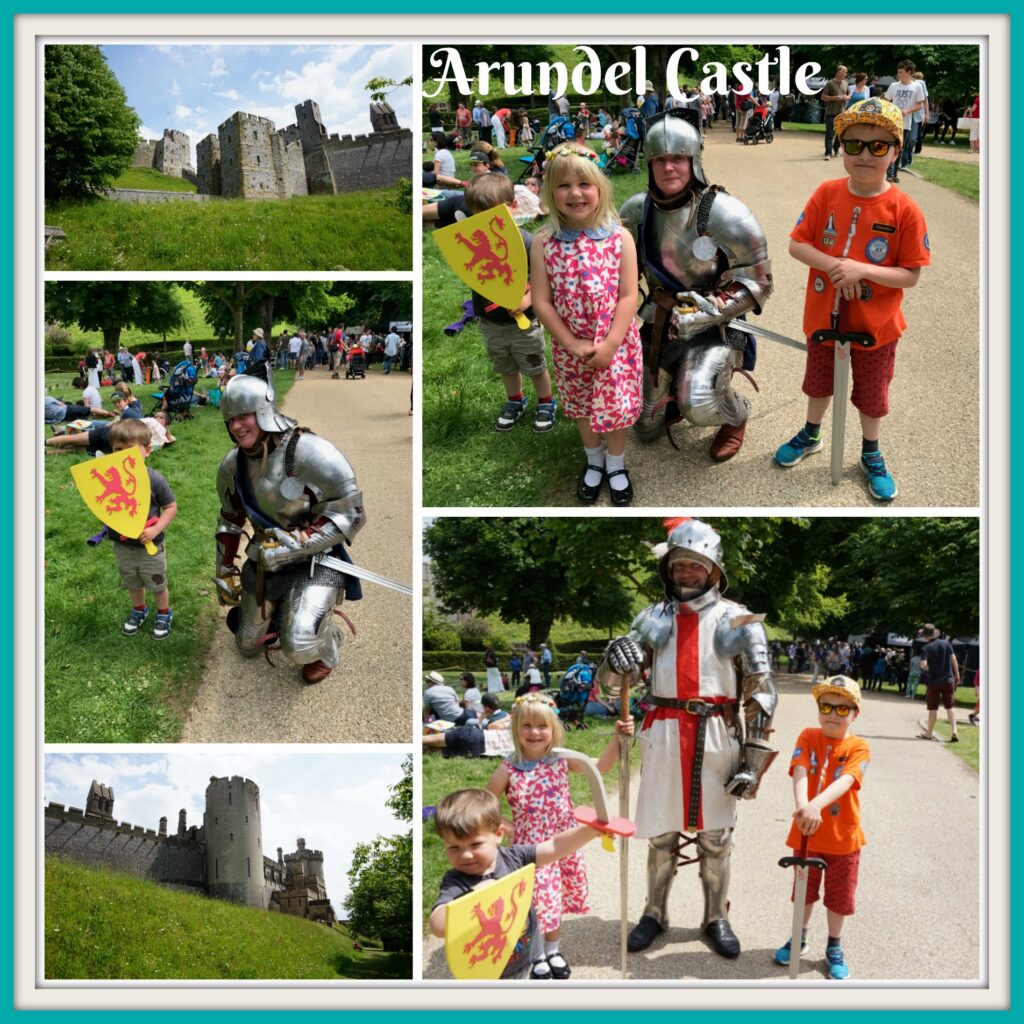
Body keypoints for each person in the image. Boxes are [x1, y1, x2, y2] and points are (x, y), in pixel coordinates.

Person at [600, 518, 777, 958]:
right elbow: (609, 686)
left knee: (715, 839)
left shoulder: (738, 619)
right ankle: (654, 913)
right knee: (661, 835)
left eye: (695, 565)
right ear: (668, 569)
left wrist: (752, 764)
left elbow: (761, 694)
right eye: (679, 565)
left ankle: (716, 916)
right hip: (662, 735)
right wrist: (611, 660)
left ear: (714, 568)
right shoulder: (650, 618)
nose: (686, 572)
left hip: (717, 735)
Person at [773, 98, 930, 502]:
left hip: (875, 327)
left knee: (873, 393)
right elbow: (797, 245)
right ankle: (811, 434)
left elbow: (910, 274)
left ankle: (871, 452)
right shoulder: (826, 193)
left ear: (896, 150)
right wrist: (834, 265)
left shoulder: (904, 209)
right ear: (841, 146)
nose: (864, 154)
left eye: (878, 146)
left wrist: (863, 271)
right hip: (824, 317)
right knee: (818, 383)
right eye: (854, 144)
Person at [620, 109, 771, 462]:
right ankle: (672, 385)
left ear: (694, 160)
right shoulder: (636, 211)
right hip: (660, 321)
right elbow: (613, 270)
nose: (669, 167)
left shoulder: (722, 211)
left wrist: (713, 310)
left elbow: (759, 280)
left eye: (678, 158)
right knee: (645, 428)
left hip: (716, 323)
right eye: (660, 159)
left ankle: (736, 414)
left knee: (699, 404)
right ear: (649, 162)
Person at [214, 368, 365, 685]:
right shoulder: (232, 465)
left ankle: (327, 643)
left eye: (244, 416)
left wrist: (297, 545)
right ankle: (278, 612)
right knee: (247, 645)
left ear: (263, 411)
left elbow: (350, 513)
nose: (237, 426)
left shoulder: (308, 452)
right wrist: (224, 568)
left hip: (316, 560)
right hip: (266, 560)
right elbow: (229, 518)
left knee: (299, 645)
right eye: (231, 420)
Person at [486, 693, 634, 978]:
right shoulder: (507, 769)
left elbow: (601, 767)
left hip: (564, 845)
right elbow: (484, 806)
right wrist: (505, 825)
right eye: (526, 725)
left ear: (554, 729)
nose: (534, 732)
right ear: (516, 729)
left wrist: (617, 737)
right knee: (538, 904)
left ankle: (553, 950)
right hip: (533, 850)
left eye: (542, 726)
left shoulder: (562, 761)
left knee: (556, 900)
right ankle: (537, 953)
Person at [531, 144, 642, 506]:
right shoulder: (544, 243)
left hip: (616, 344)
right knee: (580, 406)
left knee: (616, 407)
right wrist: (570, 343)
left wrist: (609, 344)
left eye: (584, 184)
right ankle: (593, 461)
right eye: (563, 186)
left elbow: (628, 296)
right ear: (550, 192)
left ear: (601, 188)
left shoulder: (620, 237)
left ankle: (616, 464)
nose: (575, 193)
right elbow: (541, 301)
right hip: (571, 346)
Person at [429, 788, 608, 979]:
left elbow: (554, 846)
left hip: (525, 958)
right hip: (490, 972)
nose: (465, 854)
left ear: (498, 834)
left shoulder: (514, 857)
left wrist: (591, 831)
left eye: (475, 844)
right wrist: (473, 897)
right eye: (454, 848)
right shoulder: (456, 882)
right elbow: (437, 926)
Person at [774, 675, 870, 981]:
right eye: (826, 706)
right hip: (806, 834)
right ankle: (798, 936)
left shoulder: (859, 747)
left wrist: (815, 806)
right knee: (803, 892)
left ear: (855, 713)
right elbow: (799, 769)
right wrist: (805, 807)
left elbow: (847, 780)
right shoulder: (807, 735)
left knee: (839, 897)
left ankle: (834, 946)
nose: (832, 713)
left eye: (843, 709)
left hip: (843, 838)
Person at [457, 173, 558, 435]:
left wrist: (527, 299)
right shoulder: (476, 241)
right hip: (491, 322)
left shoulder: (527, 242)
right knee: (505, 365)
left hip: (523, 322)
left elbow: (545, 277)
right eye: (477, 215)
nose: (484, 222)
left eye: (492, 215)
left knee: (534, 363)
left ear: (513, 207)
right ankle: (516, 400)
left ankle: (546, 402)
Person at [104, 419, 178, 640]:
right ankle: (139, 609)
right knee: (132, 582)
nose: (123, 455)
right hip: (123, 545)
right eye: (118, 450)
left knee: (156, 581)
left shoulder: (154, 479)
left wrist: (156, 530)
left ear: (147, 450)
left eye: (130, 450)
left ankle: (164, 613)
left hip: (150, 546)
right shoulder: (112, 478)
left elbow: (171, 507)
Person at [422, 693, 513, 758]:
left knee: (429, 742)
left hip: (471, 735)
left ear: (487, 708)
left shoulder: (494, 721)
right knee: (434, 749)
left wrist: (481, 720)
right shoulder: (505, 715)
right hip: (477, 749)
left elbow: (489, 728)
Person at [917, 623, 961, 742]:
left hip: (934, 682)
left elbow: (923, 665)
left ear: (925, 636)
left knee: (933, 708)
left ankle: (929, 733)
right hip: (948, 680)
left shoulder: (925, 648)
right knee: (950, 706)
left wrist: (924, 667)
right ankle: (954, 731)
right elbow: (954, 659)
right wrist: (957, 675)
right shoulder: (946, 643)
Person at [884, 60, 926, 182]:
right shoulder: (894, 86)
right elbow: (886, 101)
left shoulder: (917, 87)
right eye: (898, 72)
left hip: (906, 123)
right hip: (892, 122)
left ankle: (894, 173)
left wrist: (908, 110)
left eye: (901, 72)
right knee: (891, 146)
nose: (899, 75)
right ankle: (890, 174)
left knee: (899, 148)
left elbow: (920, 104)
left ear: (910, 72)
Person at [822, 65, 849, 159]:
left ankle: (836, 149)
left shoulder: (846, 83)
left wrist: (846, 97)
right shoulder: (830, 83)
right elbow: (823, 97)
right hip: (830, 112)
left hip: (841, 113)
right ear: (839, 72)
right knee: (830, 134)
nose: (846, 74)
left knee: (840, 134)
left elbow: (849, 95)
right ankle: (828, 153)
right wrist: (835, 98)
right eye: (845, 72)